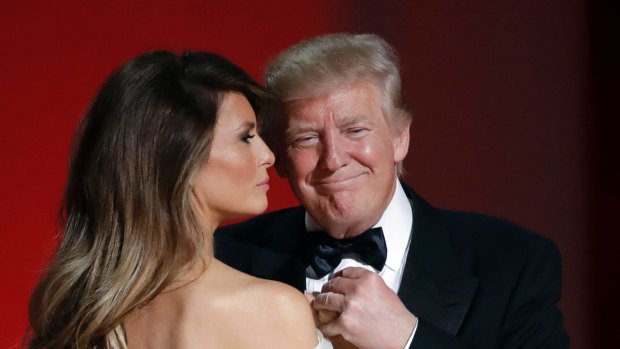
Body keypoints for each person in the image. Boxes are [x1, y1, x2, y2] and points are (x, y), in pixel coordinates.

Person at [215, 33, 569, 348]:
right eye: (306, 138)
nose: (334, 159)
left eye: (355, 131)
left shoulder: (512, 261)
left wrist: (407, 339)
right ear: (278, 156)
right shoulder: (223, 261)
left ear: (400, 139)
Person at [27, 51, 332, 349]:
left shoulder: (73, 308)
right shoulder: (270, 308)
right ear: (180, 161)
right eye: (245, 138)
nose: (268, 156)